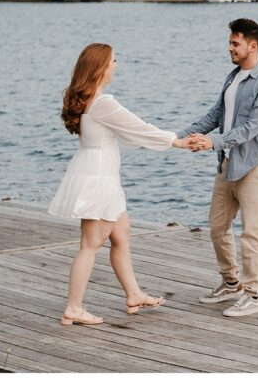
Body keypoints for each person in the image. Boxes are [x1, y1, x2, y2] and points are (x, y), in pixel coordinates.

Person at [49, 43, 195, 326]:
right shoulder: (103, 103)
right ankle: (74, 307)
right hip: (99, 179)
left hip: (99, 175)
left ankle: (134, 294)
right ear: (101, 67)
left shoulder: (91, 100)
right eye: (114, 60)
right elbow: (137, 127)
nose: (116, 65)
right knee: (90, 244)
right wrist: (175, 141)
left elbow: (126, 132)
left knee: (122, 233)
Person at [181, 18, 258, 318]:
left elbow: (250, 129)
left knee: (251, 233)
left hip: (254, 165)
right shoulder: (233, 76)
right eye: (230, 43)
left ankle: (252, 294)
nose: (230, 48)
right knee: (217, 227)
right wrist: (178, 137)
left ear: (253, 46)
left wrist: (211, 142)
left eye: (235, 44)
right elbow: (215, 114)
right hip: (227, 164)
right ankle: (231, 283)